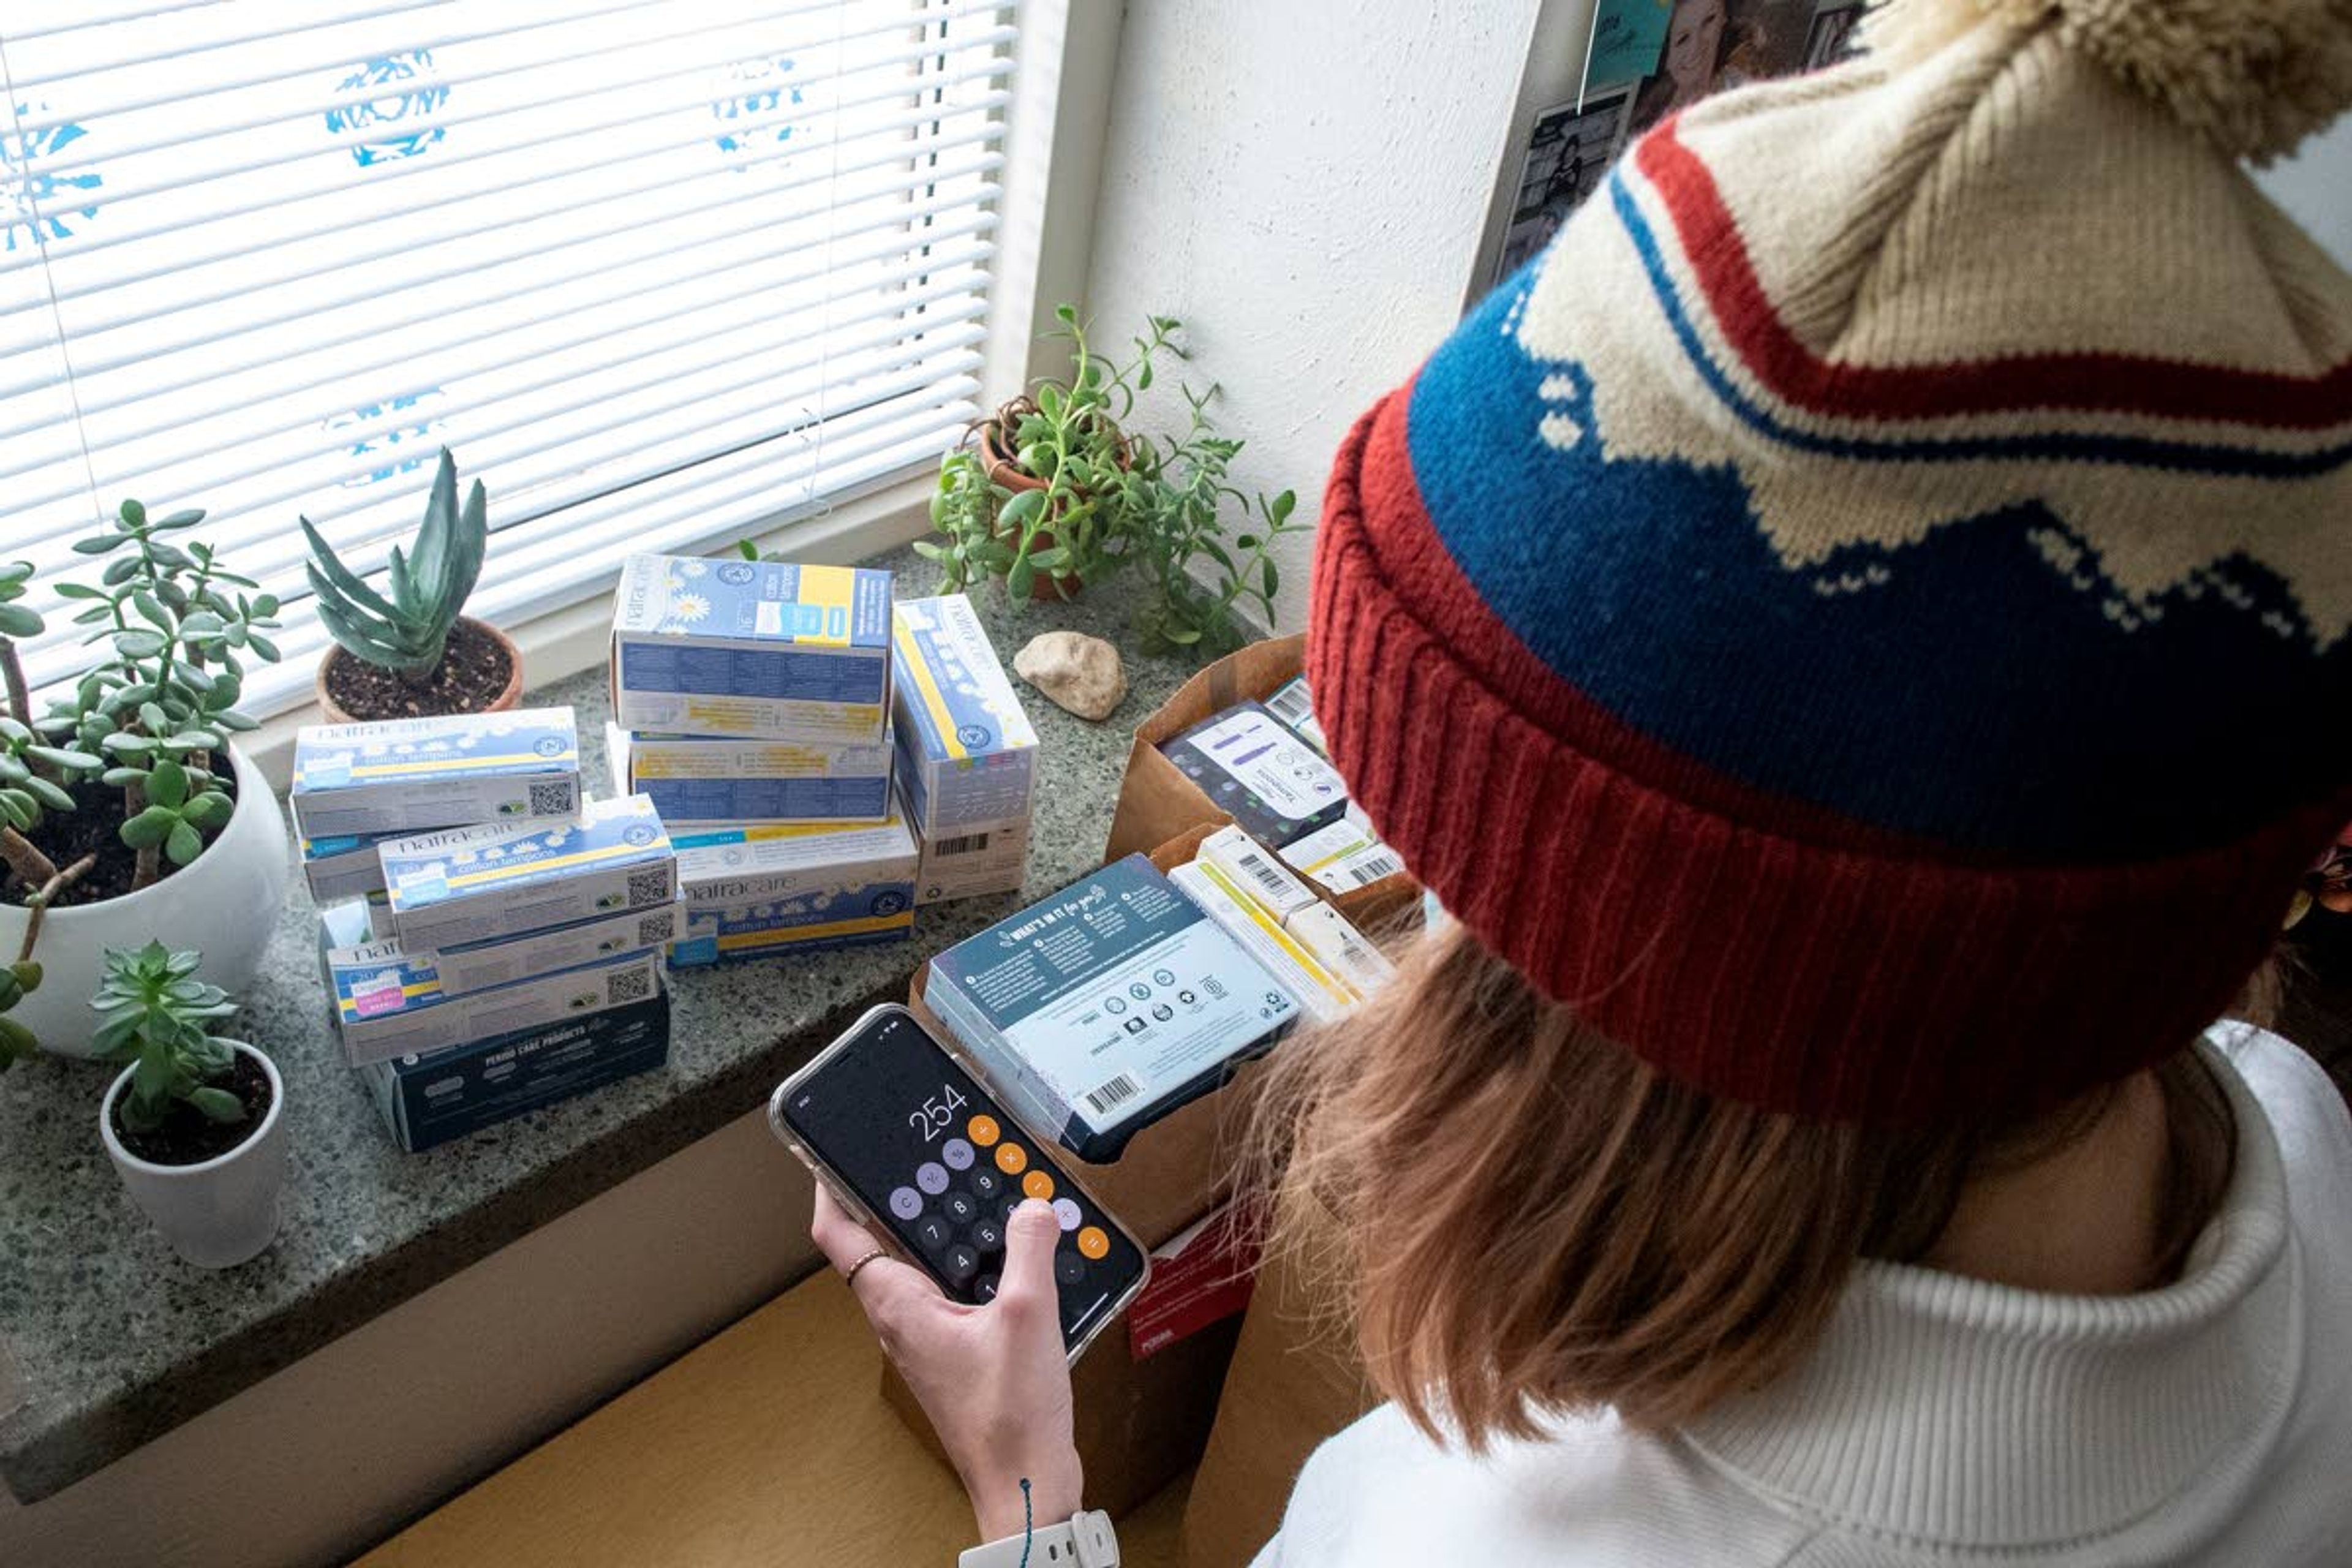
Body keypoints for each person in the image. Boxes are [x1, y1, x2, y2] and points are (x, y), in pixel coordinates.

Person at [813, 0, 2352, 1561]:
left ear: (1638, 992)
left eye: (1468, 882)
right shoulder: (2294, 1139)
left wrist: (1030, 1496)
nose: (1423, 948)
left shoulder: (1464, 1532)